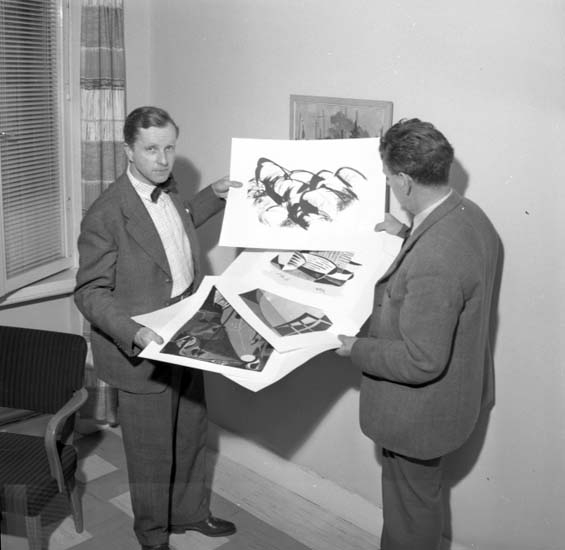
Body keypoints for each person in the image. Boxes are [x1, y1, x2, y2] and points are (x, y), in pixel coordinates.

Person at [74, 106, 240, 550]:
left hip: (188, 330)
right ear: (128, 150)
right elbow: (89, 292)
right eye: (151, 150)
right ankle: (152, 536)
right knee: (150, 452)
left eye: (169, 148)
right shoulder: (106, 213)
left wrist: (215, 194)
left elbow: (176, 220)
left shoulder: (169, 187)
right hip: (143, 347)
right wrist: (135, 332)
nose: (163, 160)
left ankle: (189, 514)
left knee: (190, 432)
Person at [336, 119, 500, 550]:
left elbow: (421, 360)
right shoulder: (469, 215)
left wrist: (357, 348)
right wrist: (406, 233)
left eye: (388, 177)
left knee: (410, 513)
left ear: (405, 181)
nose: (389, 184)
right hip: (452, 399)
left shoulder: (435, 259)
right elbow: (448, 263)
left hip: (418, 414)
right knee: (414, 503)